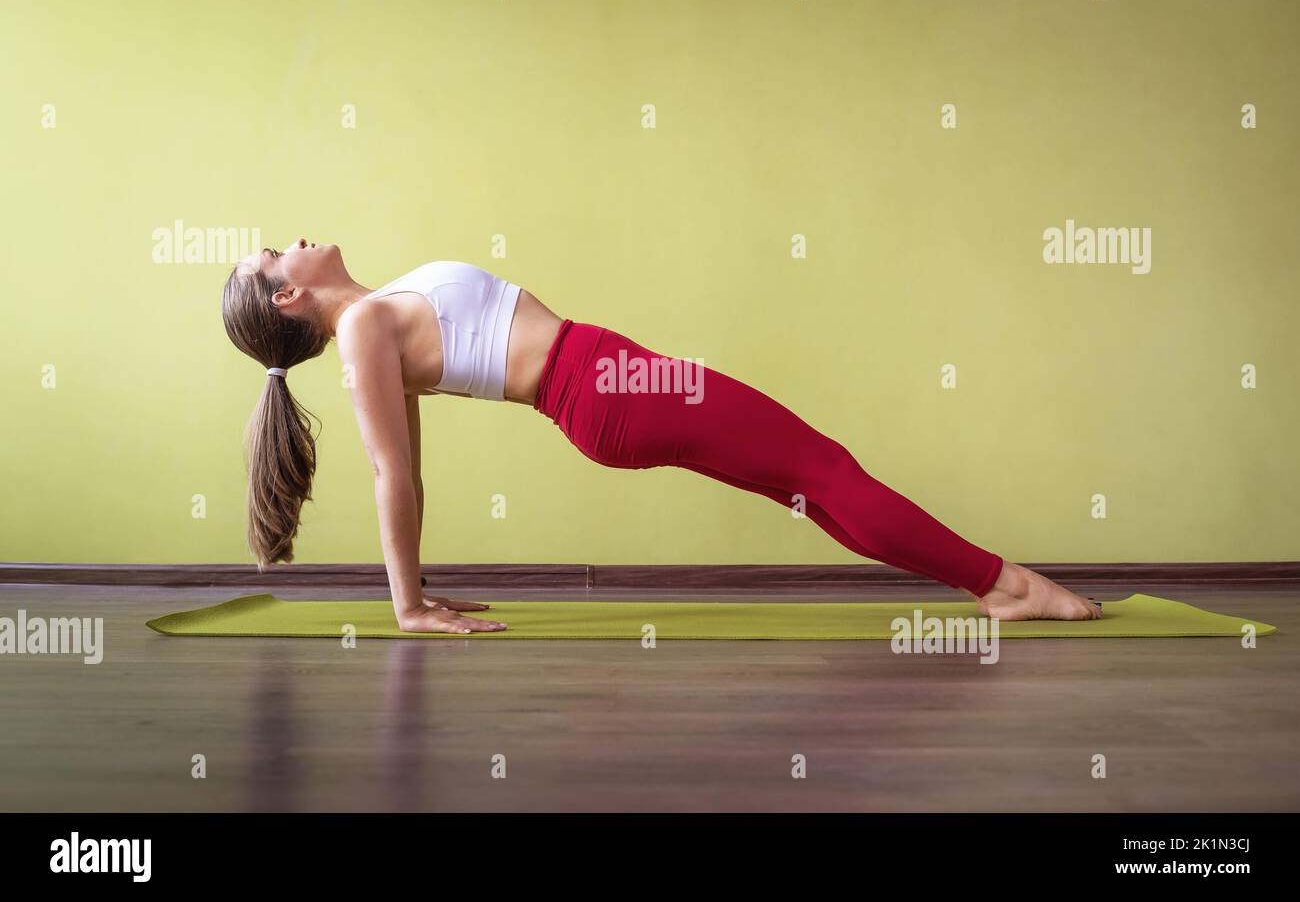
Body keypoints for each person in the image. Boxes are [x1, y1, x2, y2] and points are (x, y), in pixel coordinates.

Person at [221, 240, 1102, 633]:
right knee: (824, 471)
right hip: (604, 389)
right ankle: (1004, 584)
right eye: (274, 257)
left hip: (609, 382)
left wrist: (421, 591)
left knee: (811, 480)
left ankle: (987, 583)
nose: (290, 242)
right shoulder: (367, 330)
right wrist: (409, 607)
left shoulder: (379, 313)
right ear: (288, 299)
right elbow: (392, 476)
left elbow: (405, 474)